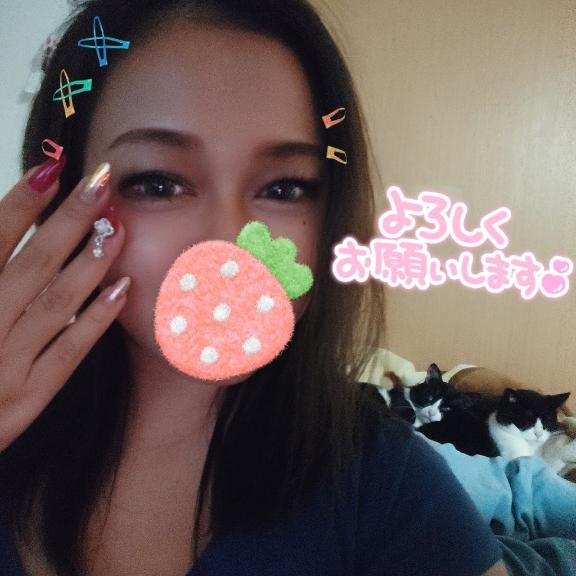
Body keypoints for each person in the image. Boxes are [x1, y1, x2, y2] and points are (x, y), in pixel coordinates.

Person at [0, 1, 508, 574]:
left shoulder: (384, 481)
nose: (229, 245)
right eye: (157, 183)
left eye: (286, 188)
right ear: (67, 196)